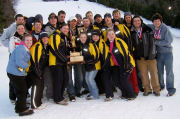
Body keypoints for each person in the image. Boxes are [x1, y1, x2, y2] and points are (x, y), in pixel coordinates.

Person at [131, 15, 160, 96]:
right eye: (135, 21)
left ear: (141, 21)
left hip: (150, 56)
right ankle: (147, 89)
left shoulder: (147, 29)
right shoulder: (132, 32)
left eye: (138, 20)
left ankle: (156, 89)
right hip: (140, 58)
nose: (137, 22)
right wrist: (136, 56)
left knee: (154, 73)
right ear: (133, 23)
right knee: (144, 74)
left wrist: (152, 54)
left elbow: (152, 43)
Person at [149, 13, 176, 96]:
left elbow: (169, 41)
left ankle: (171, 89)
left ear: (161, 21)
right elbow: (142, 25)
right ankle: (161, 85)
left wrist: (157, 42)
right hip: (159, 54)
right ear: (153, 22)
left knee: (169, 72)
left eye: (158, 21)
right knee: (159, 72)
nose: (156, 23)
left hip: (167, 53)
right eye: (155, 21)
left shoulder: (165, 28)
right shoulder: (152, 27)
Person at [6, 34, 34, 116]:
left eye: (30, 40)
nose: (29, 42)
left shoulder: (25, 48)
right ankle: (21, 110)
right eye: (27, 40)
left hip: (18, 72)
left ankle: (20, 105)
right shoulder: (21, 48)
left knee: (22, 88)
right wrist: (28, 67)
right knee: (22, 90)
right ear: (23, 41)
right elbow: (19, 62)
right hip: (15, 72)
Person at [106, 28, 136, 100]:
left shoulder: (119, 41)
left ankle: (131, 95)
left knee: (124, 79)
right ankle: (125, 94)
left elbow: (125, 53)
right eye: (109, 34)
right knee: (116, 80)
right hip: (117, 65)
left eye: (112, 34)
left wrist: (127, 64)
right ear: (107, 36)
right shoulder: (108, 44)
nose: (111, 35)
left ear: (115, 34)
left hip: (126, 63)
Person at [49, 24, 70, 105]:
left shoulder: (62, 37)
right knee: (59, 80)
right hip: (55, 62)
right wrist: (66, 59)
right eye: (64, 28)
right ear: (60, 28)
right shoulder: (55, 35)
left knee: (65, 79)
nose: (66, 30)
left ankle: (60, 96)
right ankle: (57, 98)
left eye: (67, 29)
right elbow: (55, 50)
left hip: (62, 62)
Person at [28, 32, 50, 110]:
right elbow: (35, 61)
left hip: (39, 70)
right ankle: (34, 104)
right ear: (40, 39)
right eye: (43, 38)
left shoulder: (44, 47)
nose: (45, 39)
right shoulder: (38, 46)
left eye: (46, 38)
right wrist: (38, 72)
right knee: (36, 86)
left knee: (41, 85)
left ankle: (38, 102)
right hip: (33, 70)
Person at [8, 23, 26, 104]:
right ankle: (13, 97)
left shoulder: (26, 37)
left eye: (22, 28)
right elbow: (12, 50)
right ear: (16, 29)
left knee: (22, 80)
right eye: (19, 28)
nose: (20, 30)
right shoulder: (13, 38)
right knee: (14, 81)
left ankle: (22, 97)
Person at [80, 31, 100, 100]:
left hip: (94, 65)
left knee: (90, 79)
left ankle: (95, 95)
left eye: (84, 37)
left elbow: (96, 56)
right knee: (87, 79)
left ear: (87, 37)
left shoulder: (91, 44)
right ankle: (92, 93)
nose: (83, 39)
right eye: (81, 37)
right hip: (88, 65)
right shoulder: (83, 45)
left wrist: (86, 61)